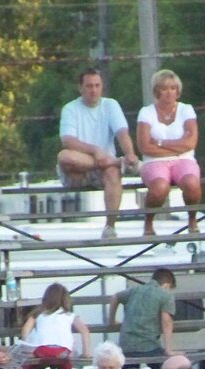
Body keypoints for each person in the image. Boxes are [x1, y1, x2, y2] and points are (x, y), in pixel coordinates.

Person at [57, 67, 138, 240]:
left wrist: (130, 153)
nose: (93, 90)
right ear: (80, 88)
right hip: (78, 167)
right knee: (64, 156)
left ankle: (110, 226)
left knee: (112, 173)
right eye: (89, 86)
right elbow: (68, 141)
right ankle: (117, 162)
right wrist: (95, 151)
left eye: (97, 85)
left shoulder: (111, 105)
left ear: (102, 87)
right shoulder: (70, 109)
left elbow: (122, 133)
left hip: (103, 170)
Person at [136, 68, 202, 235]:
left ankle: (192, 220)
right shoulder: (146, 112)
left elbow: (191, 143)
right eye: (164, 88)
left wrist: (159, 143)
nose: (169, 92)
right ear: (156, 91)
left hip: (184, 159)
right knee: (159, 187)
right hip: (153, 161)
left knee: (192, 184)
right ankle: (148, 223)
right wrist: (177, 146)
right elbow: (144, 147)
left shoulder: (186, 109)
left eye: (173, 88)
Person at [107, 267, 176, 369]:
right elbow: (166, 321)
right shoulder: (165, 295)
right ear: (167, 285)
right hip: (149, 345)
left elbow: (115, 297)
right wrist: (168, 349)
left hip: (126, 345)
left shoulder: (134, 290)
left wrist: (111, 320)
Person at [16, 282, 91, 369]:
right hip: (62, 350)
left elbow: (25, 329)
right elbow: (84, 330)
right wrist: (86, 352)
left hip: (41, 349)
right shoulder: (69, 315)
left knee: (29, 366)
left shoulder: (38, 313)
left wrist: (26, 346)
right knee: (66, 366)